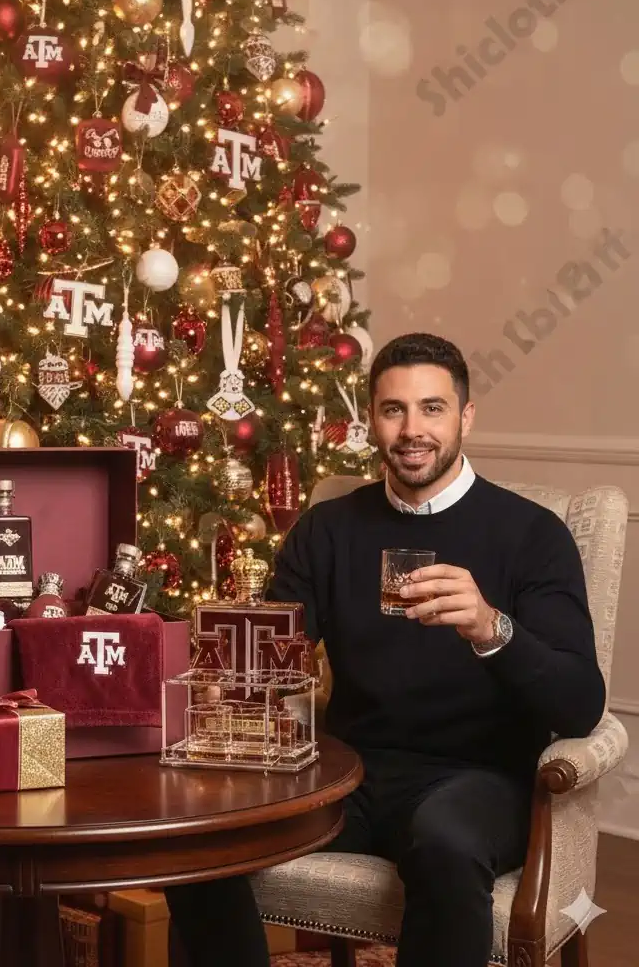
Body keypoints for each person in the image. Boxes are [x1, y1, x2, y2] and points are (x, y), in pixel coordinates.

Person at [164, 332, 606, 967]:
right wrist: (225, 679)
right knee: (202, 842)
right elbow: (272, 653)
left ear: (466, 417)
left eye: (433, 408)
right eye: (393, 409)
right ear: (371, 418)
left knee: (445, 844)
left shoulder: (532, 534)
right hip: (350, 772)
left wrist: (490, 627)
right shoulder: (330, 529)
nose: (412, 430)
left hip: (479, 778)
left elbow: (581, 704)